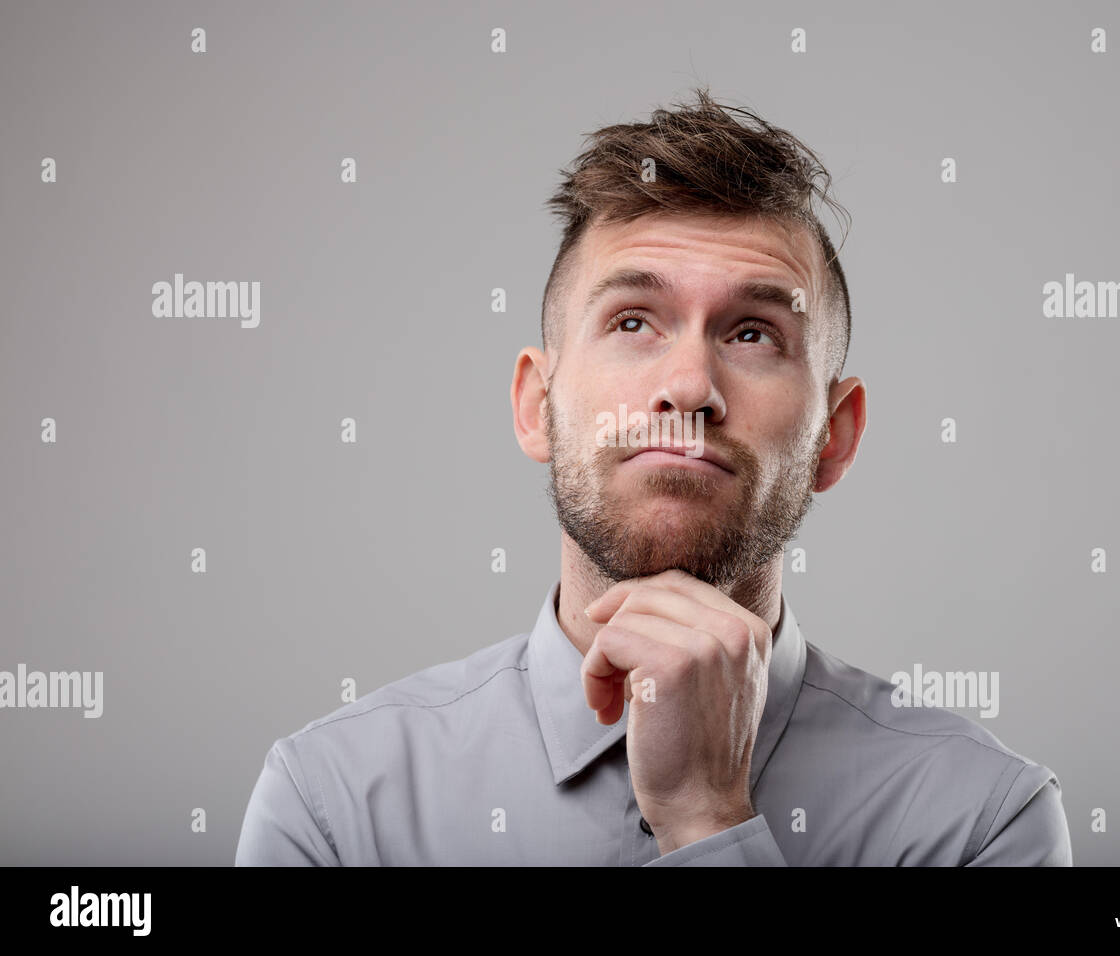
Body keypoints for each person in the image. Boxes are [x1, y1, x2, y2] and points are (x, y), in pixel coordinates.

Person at [235, 88, 1072, 866]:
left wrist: (709, 820)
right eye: (633, 320)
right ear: (537, 406)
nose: (689, 387)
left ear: (834, 437)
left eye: (753, 334)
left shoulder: (978, 821)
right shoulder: (334, 807)